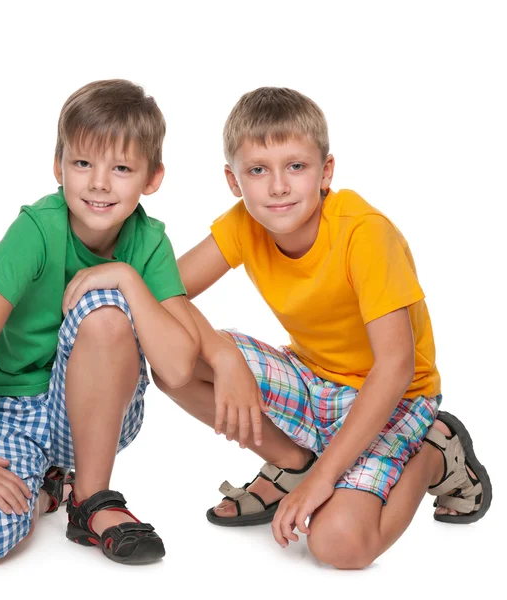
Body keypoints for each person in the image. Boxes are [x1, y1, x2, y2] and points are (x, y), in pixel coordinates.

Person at [154, 86, 492, 569]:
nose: (277, 187)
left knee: (338, 546)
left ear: (326, 171)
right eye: (257, 170)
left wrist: (325, 483)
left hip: (393, 397)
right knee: (171, 357)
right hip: (313, 379)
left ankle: (436, 453)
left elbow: (394, 368)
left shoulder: (363, 233)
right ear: (233, 180)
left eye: (296, 166)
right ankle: (295, 463)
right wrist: (223, 356)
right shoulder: (244, 223)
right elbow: (166, 295)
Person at [0, 79, 199, 565]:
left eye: (121, 168)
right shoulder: (37, 229)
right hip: (9, 410)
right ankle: (48, 490)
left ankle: (90, 498)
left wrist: (126, 278)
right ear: (58, 165)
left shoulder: (148, 243)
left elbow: (180, 368)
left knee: (104, 307)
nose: (99, 183)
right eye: (82, 163)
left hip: (92, 414)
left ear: (153, 177)